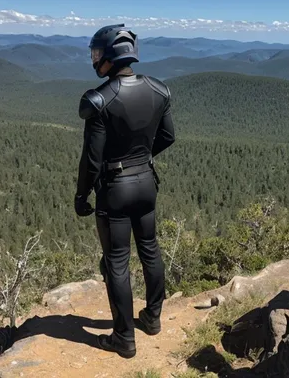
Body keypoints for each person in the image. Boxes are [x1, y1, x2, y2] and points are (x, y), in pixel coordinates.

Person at [74, 23, 176, 358]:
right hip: (146, 183)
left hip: (114, 190)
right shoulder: (159, 90)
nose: (95, 59)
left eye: (97, 53)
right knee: (150, 249)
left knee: (117, 262)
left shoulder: (98, 100)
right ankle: (153, 317)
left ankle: (123, 338)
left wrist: (82, 195)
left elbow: (91, 160)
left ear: (109, 56)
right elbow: (167, 137)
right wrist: (140, 158)